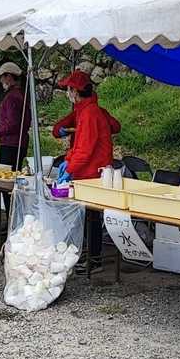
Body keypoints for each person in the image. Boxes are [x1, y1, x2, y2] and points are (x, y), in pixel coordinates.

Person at [54, 70, 116, 259]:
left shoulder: (90, 113)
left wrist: (70, 168)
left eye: (69, 89)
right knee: (88, 216)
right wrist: (68, 160)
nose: (68, 93)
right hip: (87, 171)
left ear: (75, 91)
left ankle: (93, 259)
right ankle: (88, 256)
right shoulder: (84, 111)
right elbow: (79, 145)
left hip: (92, 173)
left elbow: (85, 149)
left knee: (91, 217)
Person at [0, 61, 30, 171]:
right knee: (14, 173)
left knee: (7, 175)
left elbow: (12, 124)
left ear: (8, 76)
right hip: (19, 142)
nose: (0, 80)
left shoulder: (12, 97)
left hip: (11, 144)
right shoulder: (20, 94)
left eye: (2, 77)